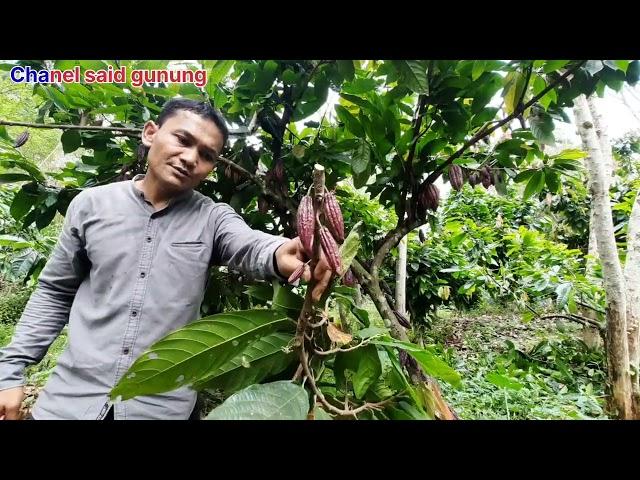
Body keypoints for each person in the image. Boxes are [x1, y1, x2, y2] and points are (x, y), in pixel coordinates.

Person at [0, 98, 332, 420]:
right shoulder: (91, 205)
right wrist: (9, 372)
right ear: (150, 133)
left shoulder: (213, 218)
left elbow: (248, 245)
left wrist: (280, 252)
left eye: (206, 155)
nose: (190, 158)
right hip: (71, 401)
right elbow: (55, 292)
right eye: (183, 140)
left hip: (163, 409)